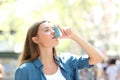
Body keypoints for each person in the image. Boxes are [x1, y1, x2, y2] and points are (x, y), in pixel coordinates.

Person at [15, 20, 103, 80]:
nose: (53, 32)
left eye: (53, 29)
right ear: (36, 39)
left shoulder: (68, 61)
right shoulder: (25, 70)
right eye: (47, 30)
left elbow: (97, 58)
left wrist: (74, 37)